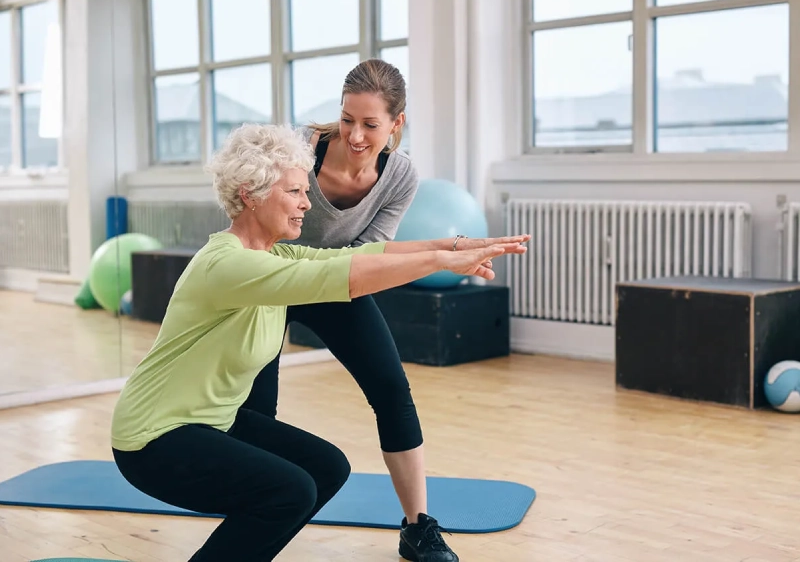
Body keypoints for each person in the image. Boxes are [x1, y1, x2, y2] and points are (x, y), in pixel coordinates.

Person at [109, 122, 529, 562]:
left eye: (304, 191)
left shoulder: (274, 252)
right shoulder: (227, 265)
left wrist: (455, 245)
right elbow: (343, 276)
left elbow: (360, 255)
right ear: (250, 194)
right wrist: (440, 262)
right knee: (289, 490)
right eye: (294, 192)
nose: (307, 204)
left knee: (326, 468)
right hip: (154, 437)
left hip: (212, 421)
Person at [240, 58, 526, 562]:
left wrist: (445, 252)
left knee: (392, 391)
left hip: (339, 282)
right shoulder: (299, 151)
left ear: (397, 123)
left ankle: (418, 528)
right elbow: (252, 220)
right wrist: (439, 253)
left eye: (370, 124)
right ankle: (251, 512)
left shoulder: (400, 176)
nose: (355, 135)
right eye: (347, 119)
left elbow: (369, 255)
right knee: (257, 408)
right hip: (273, 280)